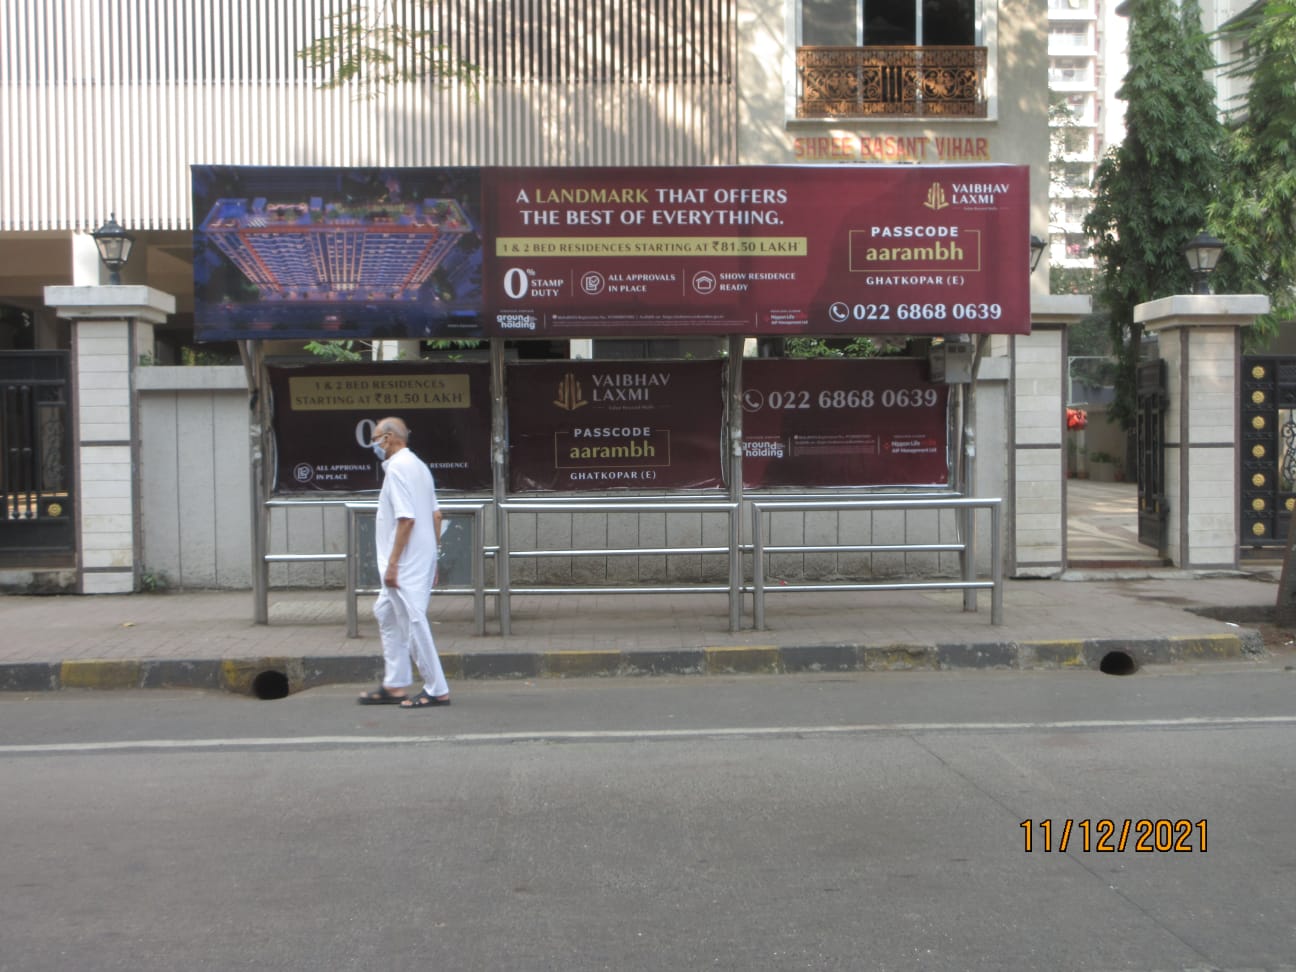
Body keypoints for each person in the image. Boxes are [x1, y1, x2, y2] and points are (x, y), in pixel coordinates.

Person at [357, 416, 451, 709]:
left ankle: (437, 689)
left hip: (405, 561)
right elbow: (436, 515)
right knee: (385, 612)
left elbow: (406, 519)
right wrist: (433, 560)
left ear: (388, 438)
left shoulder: (398, 469)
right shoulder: (419, 467)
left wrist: (393, 565)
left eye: (375, 438)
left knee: (413, 621)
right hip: (420, 557)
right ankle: (396, 683)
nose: (373, 444)